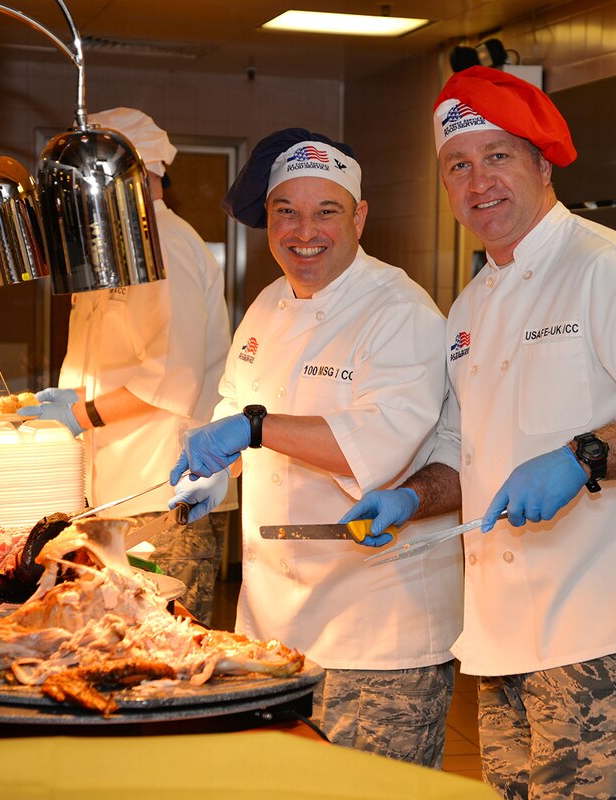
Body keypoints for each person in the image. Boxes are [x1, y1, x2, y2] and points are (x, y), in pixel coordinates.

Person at [344, 66, 616, 800]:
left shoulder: (611, 267)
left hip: (607, 631)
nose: (478, 181)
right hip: (503, 638)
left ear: (541, 162)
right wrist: (411, 494)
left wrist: (580, 457)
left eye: (498, 156)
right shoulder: (471, 303)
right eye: (459, 165)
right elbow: (465, 444)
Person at [165, 128, 464, 767]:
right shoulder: (270, 303)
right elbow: (233, 400)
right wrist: (216, 470)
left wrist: (251, 428)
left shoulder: (400, 311)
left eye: (326, 211)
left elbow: (377, 445)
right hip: (272, 626)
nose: (306, 230)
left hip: (376, 629)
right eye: (286, 212)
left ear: (359, 217)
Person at [19, 107, 233, 625]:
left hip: (164, 498)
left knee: (164, 658)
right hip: (114, 493)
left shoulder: (169, 245)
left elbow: (169, 379)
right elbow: (113, 358)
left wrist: (81, 415)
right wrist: (70, 399)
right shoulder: (114, 244)